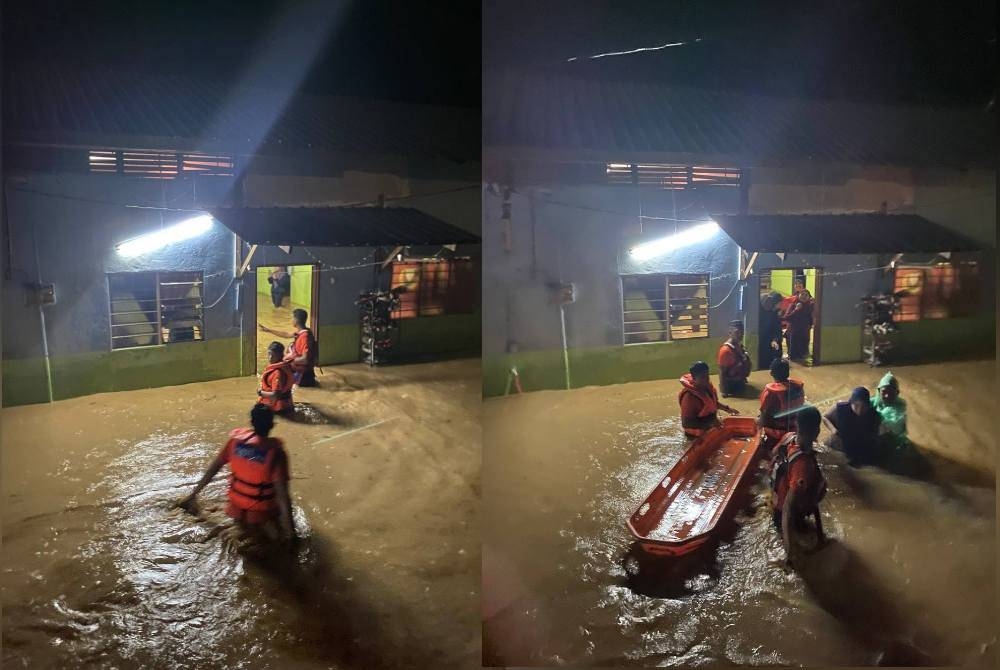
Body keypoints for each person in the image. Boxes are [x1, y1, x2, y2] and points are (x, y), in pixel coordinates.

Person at [178, 404, 296, 543]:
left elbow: (212, 470)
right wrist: (291, 533)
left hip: (234, 509)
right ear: (272, 424)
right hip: (260, 515)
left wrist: (192, 495)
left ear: (252, 422)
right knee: (276, 539)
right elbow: (283, 497)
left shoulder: (235, 443)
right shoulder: (276, 454)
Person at [770, 405, 827, 566]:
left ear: (797, 425)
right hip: (788, 515)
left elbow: (773, 456)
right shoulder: (803, 466)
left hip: (775, 503)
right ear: (817, 431)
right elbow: (788, 509)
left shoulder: (788, 437)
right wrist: (789, 552)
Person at [679, 361, 739, 439]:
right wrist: (711, 424)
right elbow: (686, 423)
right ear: (693, 378)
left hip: (708, 427)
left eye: (707, 376)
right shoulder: (689, 398)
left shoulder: (707, 387)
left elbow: (712, 403)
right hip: (695, 436)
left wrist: (728, 409)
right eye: (702, 377)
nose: (706, 380)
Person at [823, 387, 882, 466]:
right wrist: (833, 429)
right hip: (840, 445)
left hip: (859, 447)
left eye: (863, 406)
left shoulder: (874, 415)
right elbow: (825, 417)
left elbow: (876, 436)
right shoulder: (840, 408)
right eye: (856, 405)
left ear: (868, 405)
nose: (859, 410)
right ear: (851, 402)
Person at [757, 358, 806, 453]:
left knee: (756, 422)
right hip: (795, 429)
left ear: (771, 373)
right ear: (788, 373)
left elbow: (763, 419)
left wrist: (757, 428)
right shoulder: (798, 388)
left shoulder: (770, 393)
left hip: (777, 434)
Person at [872, 371, 909, 453]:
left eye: (891, 392)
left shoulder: (899, 409)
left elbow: (888, 427)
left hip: (893, 443)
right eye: (884, 392)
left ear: (897, 393)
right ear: (879, 391)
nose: (887, 396)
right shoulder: (874, 401)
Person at [283, 308, 318, 387]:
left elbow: (305, 359)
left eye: (292, 318)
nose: (291, 320)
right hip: (304, 374)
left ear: (296, 320)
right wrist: (268, 330)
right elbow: (286, 335)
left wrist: (289, 361)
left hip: (304, 377)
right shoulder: (302, 332)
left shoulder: (305, 337)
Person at [258, 341, 294, 416]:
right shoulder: (284, 367)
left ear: (280, 356)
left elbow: (276, 395)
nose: (270, 357)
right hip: (286, 406)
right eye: (269, 354)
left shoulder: (277, 373)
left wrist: (260, 393)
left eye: (273, 355)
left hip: (279, 410)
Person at [717, 320, 752, 397]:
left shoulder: (739, 346)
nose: (740, 335)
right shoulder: (725, 350)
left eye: (742, 332)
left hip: (740, 382)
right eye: (737, 332)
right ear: (730, 333)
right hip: (731, 386)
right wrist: (723, 390)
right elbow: (721, 371)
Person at [783, 288, 814, 362]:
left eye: (806, 295)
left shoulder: (809, 306)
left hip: (804, 334)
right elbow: (787, 318)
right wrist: (796, 310)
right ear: (798, 295)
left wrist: (808, 327)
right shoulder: (793, 304)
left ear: (809, 297)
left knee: (803, 356)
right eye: (802, 294)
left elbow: (811, 320)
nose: (804, 296)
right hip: (793, 334)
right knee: (793, 358)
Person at [758, 291, 784, 371]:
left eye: (770, 302)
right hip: (762, 343)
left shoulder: (774, 314)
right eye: (767, 302)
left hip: (772, 342)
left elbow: (777, 329)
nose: (769, 304)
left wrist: (775, 339)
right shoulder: (757, 314)